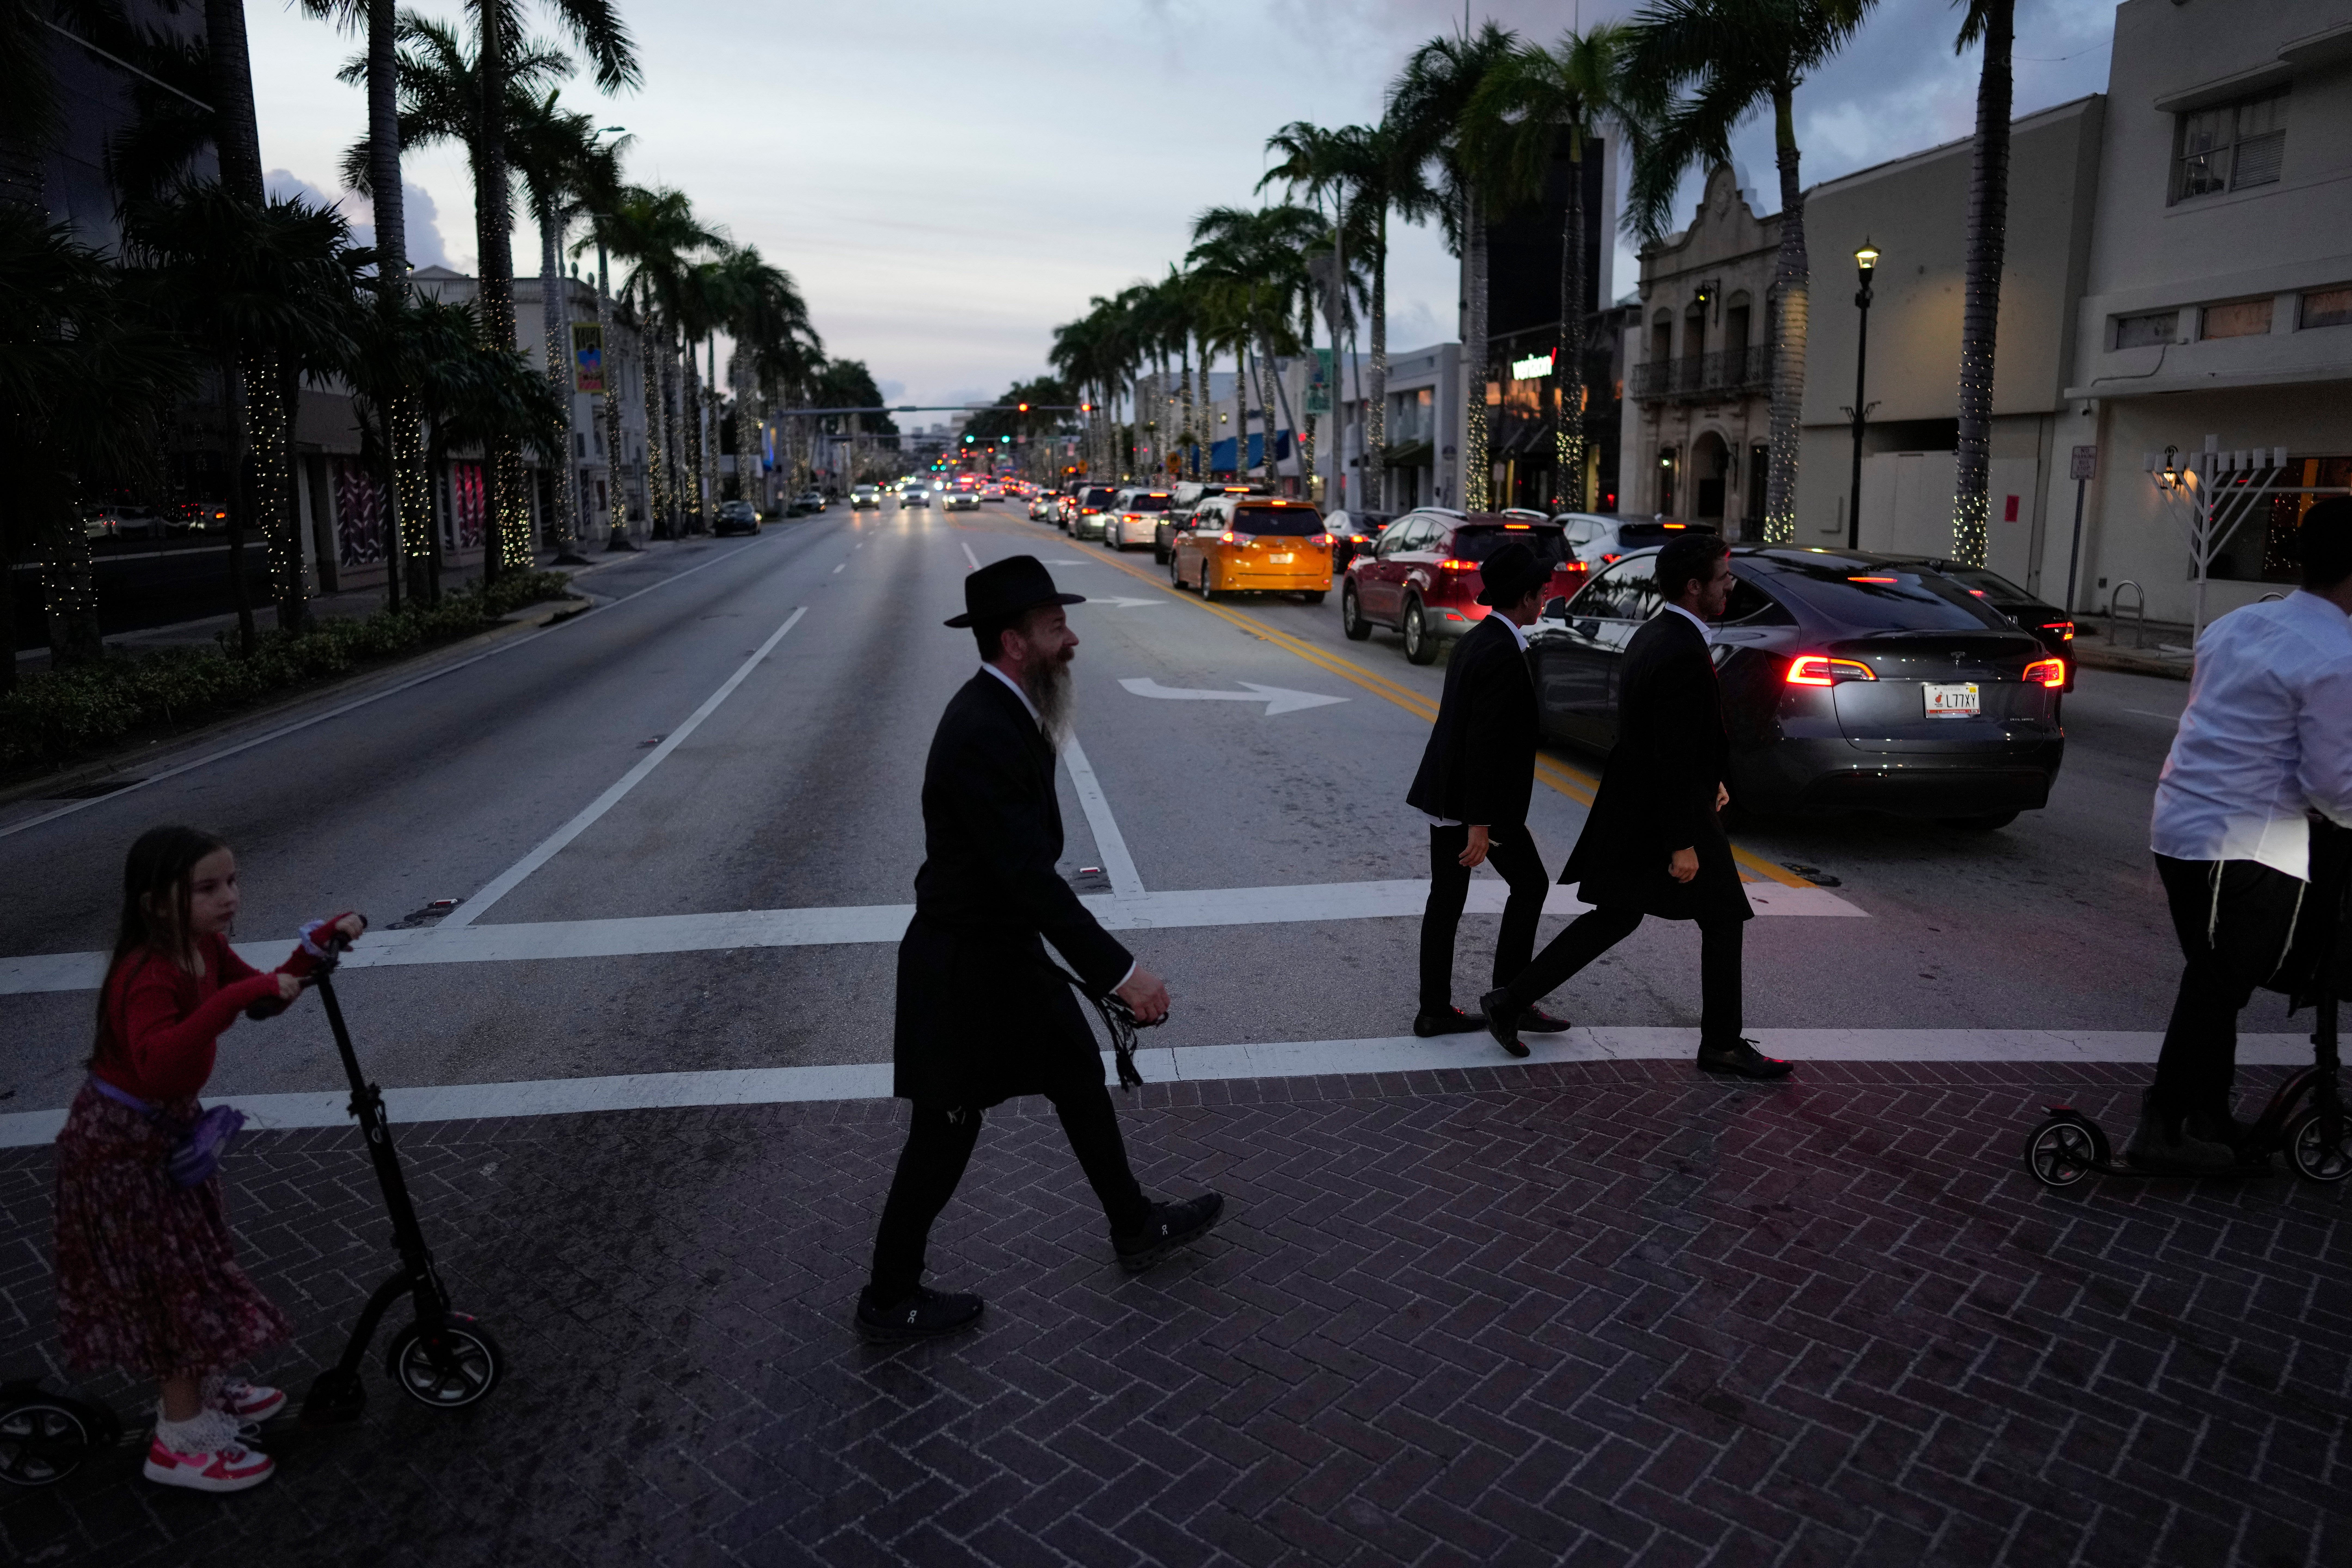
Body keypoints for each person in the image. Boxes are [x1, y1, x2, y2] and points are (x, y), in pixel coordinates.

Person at [857, 555, 1224, 1343]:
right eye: (1057, 627)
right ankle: (889, 1296)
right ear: (1014, 641)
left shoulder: (1010, 712)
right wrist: (1122, 973)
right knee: (945, 1131)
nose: (1073, 641)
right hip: (964, 969)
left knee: (1077, 1073)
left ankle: (1133, 1223)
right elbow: (1026, 876)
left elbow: (1022, 876)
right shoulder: (983, 729)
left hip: (1003, 955)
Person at [54, 826, 365, 1492]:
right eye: (207, 888)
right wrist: (231, 999)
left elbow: (264, 998)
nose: (229, 898)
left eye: (231, 882)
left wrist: (314, 952)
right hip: (121, 1149)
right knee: (170, 1288)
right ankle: (180, 1440)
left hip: (165, 1134)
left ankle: (206, 1391)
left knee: (195, 1266)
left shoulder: (205, 947)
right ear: (154, 903)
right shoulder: (147, 973)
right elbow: (160, 1064)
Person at [1479, 534, 1791, 1079]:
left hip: (1640, 808)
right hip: (1665, 813)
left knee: (1618, 915)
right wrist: (1681, 841)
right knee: (1723, 917)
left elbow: (1668, 737)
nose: (1730, 587)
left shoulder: (1657, 633)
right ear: (1694, 586)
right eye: (1723, 578)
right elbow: (1667, 752)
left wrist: (1711, 780)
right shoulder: (1679, 648)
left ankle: (1509, 1001)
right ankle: (1721, 1045)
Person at [2132, 497, 2352, 1172]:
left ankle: (2206, 1117)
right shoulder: (2337, 656)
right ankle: (2165, 1129)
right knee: (2219, 985)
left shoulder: (2238, 624)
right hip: (2250, 841)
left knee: (2216, 981)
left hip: (2182, 826)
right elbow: (2334, 785)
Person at [1405, 541, 1569, 1040]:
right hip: (1473, 804)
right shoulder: (1500, 651)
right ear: (1524, 598)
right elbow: (1484, 743)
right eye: (1541, 590)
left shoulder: (1482, 639)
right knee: (1531, 884)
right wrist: (1480, 824)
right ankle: (1511, 1000)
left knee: (1447, 901)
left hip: (1450, 796)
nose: (1546, 596)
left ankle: (1436, 1009)